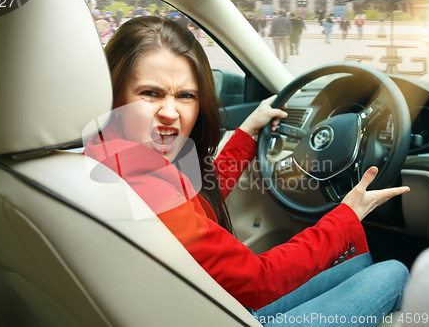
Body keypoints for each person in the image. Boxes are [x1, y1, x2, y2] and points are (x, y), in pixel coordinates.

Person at [84, 16, 410, 326]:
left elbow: (198, 202)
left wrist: (246, 134)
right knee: (394, 272)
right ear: (113, 92)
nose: (169, 112)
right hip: (221, 313)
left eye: (186, 96)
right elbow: (260, 279)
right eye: (150, 93)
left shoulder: (111, 155)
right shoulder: (144, 184)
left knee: (360, 264)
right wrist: (345, 218)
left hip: (209, 307)